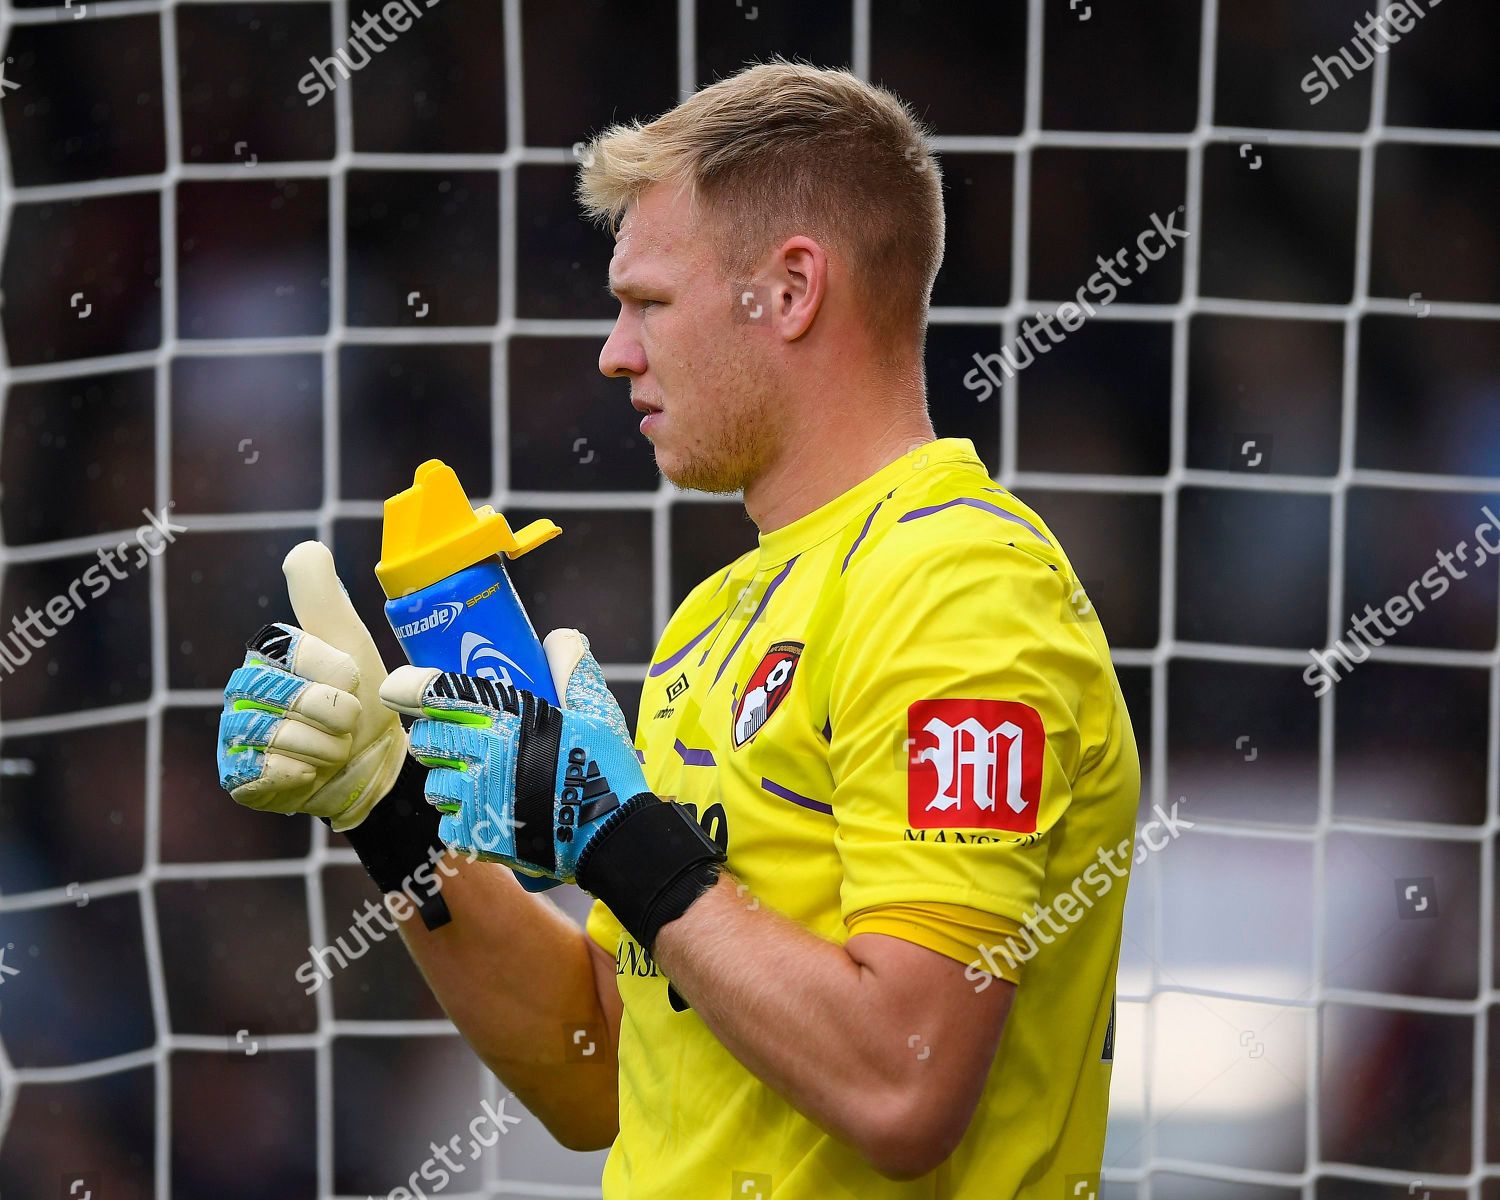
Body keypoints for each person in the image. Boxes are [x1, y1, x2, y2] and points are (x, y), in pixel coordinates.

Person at [217, 59, 1140, 1200]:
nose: (616, 351)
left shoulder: (959, 586)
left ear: (791, 291)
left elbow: (907, 1087)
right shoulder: (724, 612)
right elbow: (595, 1066)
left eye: (648, 301)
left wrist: (615, 838)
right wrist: (389, 805)